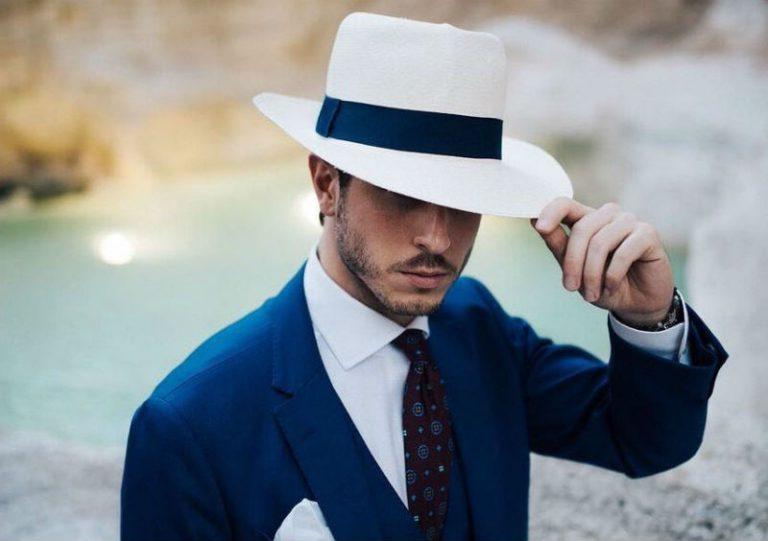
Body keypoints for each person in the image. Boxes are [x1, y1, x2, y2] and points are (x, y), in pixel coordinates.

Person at [120, 12, 729, 541]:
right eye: (402, 195)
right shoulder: (190, 425)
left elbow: (643, 441)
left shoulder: (478, 327)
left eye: (463, 202)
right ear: (327, 184)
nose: (437, 238)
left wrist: (649, 318)